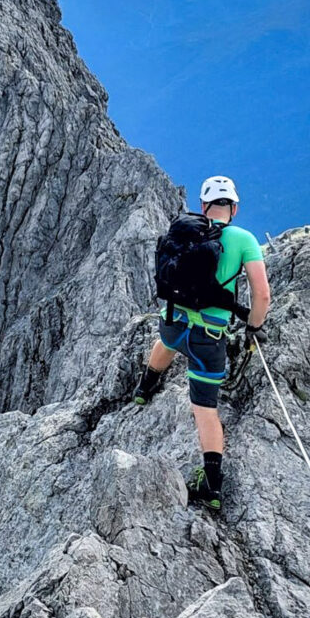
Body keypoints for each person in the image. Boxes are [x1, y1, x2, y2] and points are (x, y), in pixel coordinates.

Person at [134, 175, 271, 513]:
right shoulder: (243, 239)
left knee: (164, 344)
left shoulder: (185, 232)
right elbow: (262, 294)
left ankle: (144, 387)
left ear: (204, 206)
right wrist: (253, 326)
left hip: (173, 324)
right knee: (205, 409)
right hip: (208, 339)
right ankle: (211, 483)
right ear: (234, 208)